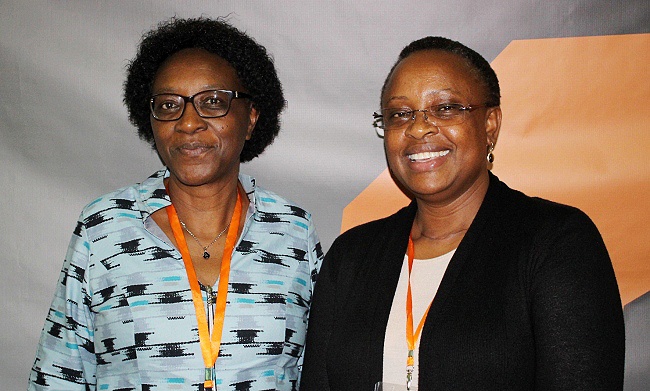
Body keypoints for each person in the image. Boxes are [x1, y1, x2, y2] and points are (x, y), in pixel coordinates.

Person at [300, 36, 624, 390]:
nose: (418, 127)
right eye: (400, 114)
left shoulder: (556, 242)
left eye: (446, 108)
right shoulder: (351, 257)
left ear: (490, 125)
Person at [28, 17, 323, 391]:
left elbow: (316, 372)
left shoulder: (293, 230)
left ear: (249, 119)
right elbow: (59, 376)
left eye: (212, 102)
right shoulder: (104, 227)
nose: (187, 123)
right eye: (169, 105)